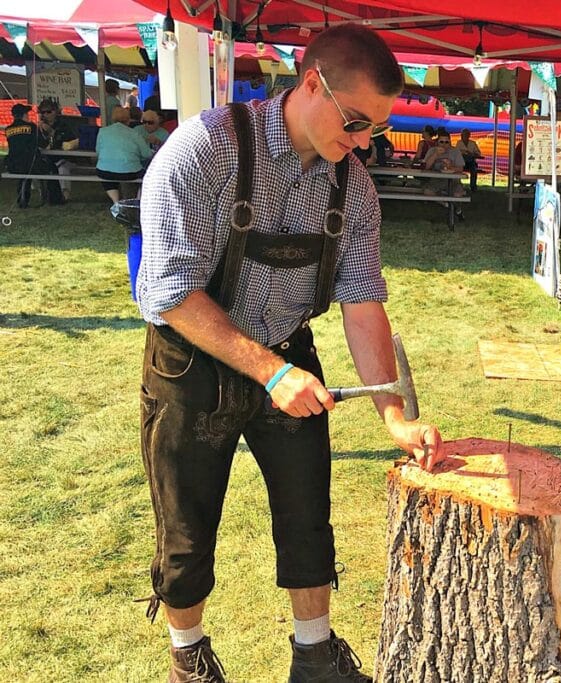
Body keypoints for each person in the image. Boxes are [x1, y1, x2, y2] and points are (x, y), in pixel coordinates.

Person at [135, 24, 444, 683]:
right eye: (355, 123)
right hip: (192, 358)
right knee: (186, 529)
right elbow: (168, 291)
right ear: (312, 84)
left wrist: (392, 415)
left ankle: (314, 655)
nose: (362, 144)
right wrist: (268, 371)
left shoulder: (351, 187)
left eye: (374, 132)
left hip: (287, 348)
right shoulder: (206, 149)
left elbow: (362, 303)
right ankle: (189, 659)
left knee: (308, 515)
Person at [4, 103, 60, 208]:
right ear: (24, 115)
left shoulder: (8, 129)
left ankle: (22, 199)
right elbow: (44, 145)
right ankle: (55, 199)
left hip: (13, 165)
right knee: (52, 168)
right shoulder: (31, 127)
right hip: (31, 165)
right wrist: (50, 133)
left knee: (24, 173)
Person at [96, 106, 152, 204]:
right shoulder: (134, 133)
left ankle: (116, 201)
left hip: (104, 171)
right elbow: (146, 154)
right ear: (128, 119)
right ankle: (136, 200)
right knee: (146, 175)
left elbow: (98, 151)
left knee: (107, 175)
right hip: (130, 172)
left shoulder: (103, 131)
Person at [36, 97, 80, 202]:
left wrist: (52, 132)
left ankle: (65, 194)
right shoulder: (40, 127)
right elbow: (39, 144)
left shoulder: (64, 124)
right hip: (48, 158)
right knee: (34, 166)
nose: (46, 114)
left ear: (55, 111)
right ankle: (42, 192)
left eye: (49, 112)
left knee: (61, 167)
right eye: (43, 112)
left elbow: (69, 141)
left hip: (65, 158)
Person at [422, 129, 466, 219]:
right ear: (437, 142)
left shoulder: (455, 151)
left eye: (446, 142)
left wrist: (451, 167)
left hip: (453, 181)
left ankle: (457, 209)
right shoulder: (432, 150)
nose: (444, 144)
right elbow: (426, 167)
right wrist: (435, 155)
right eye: (441, 142)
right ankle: (446, 204)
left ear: (450, 142)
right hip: (436, 180)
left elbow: (460, 169)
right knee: (427, 192)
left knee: (458, 195)